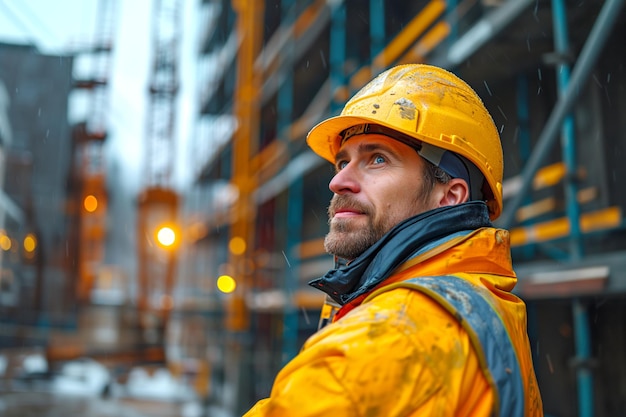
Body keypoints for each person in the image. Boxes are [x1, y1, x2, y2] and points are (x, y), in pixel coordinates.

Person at [244, 64, 543, 416]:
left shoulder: (388, 340)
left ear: (449, 195)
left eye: (378, 159)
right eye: (342, 162)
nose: (338, 182)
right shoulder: (484, 306)